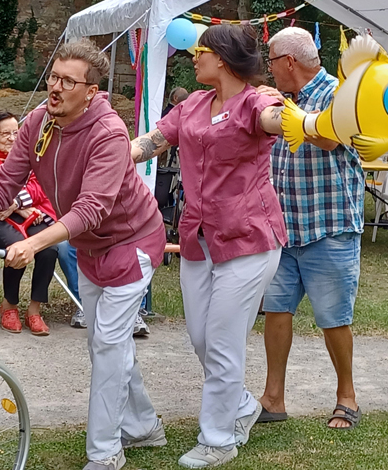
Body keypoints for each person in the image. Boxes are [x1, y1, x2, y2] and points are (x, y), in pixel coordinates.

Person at [0, 39, 166, 470]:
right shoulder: (40, 120)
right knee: (106, 342)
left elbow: (92, 208)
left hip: (131, 243)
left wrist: (34, 242)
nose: (54, 88)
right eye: (53, 77)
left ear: (91, 91)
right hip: (90, 246)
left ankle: (105, 454)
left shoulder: (109, 133)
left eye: (67, 81)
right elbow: (5, 182)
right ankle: (144, 426)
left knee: (108, 344)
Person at [132, 24, 289, 468]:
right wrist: (112, 155)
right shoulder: (194, 105)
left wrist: (300, 120)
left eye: (200, 50)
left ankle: (218, 439)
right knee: (202, 338)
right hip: (198, 239)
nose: (192, 56)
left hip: (249, 239)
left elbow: (273, 119)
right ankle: (239, 405)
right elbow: (153, 141)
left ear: (222, 58)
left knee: (221, 341)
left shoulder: (257, 100)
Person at [254, 27, 365, 430]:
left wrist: (289, 114)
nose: (269, 70)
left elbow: (331, 137)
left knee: (334, 317)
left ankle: (347, 396)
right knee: (276, 312)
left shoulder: (339, 93)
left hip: (328, 227)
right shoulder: (284, 98)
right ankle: (273, 398)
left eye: (271, 62)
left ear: (289, 63)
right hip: (284, 230)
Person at [0, 110, 58, 336]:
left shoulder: (29, 158)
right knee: (16, 247)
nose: (12, 138)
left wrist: (15, 203)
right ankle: (10, 305)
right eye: (5, 134)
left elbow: (39, 187)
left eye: (16, 133)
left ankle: (35, 309)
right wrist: (18, 204)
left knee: (49, 248)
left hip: (24, 212)